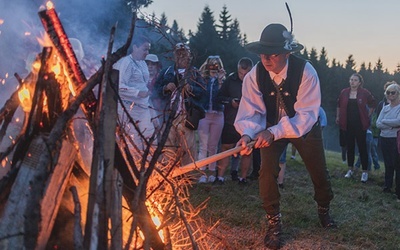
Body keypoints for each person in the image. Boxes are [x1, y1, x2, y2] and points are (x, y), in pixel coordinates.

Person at [234, 23, 335, 249]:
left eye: (273, 54)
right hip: (270, 127)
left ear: (287, 54)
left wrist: (274, 131)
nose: (266, 59)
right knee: (266, 169)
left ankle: (324, 209)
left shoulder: (306, 72)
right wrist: (248, 133)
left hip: (304, 128)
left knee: (319, 172)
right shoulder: (254, 75)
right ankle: (274, 223)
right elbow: (250, 110)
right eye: (262, 53)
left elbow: (307, 114)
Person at [156, 43, 206, 166]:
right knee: (168, 148)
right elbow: (155, 91)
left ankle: (186, 177)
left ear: (189, 56)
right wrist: (165, 88)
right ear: (174, 56)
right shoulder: (166, 72)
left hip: (186, 115)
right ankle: (168, 176)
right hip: (168, 115)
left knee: (188, 149)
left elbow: (203, 91)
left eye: (184, 53)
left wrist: (191, 89)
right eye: (179, 53)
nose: (182, 56)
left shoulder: (195, 73)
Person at [113, 35, 156, 155]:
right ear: (135, 47)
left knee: (150, 138)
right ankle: (134, 168)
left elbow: (142, 83)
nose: (147, 53)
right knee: (133, 141)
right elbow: (119, 86)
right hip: (128, 108)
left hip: (143, 107)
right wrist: (137, 93)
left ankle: (149, 167)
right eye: (144, 49)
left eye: (148, 49)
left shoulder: (142, 64)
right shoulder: (126, 63)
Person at [218, 57, 253, 184]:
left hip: (248, 123)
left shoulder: (256, 81)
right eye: (240, 73)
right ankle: (220, 177)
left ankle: (243, 178)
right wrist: (230, 101)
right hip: (231, 120)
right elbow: (219, 97)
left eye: (246, 74)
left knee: (247, 150)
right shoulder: (231, 80)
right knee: (226, 148)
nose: (243, 76)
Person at [336, 73, 376, 182]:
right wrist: (338, 116)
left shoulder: (364, 93)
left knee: (362, 147)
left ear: (359, 82)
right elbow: (339, 105)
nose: (352, 81)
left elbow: (373, 103)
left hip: (360, 124)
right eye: (351, 79)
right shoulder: (344, 92)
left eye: (355, 80)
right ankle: (350, 169)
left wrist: (368, 115)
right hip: (347, 124)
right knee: (350, 147)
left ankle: (364, 172)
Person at [197, 55, 226, 184]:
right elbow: (200, 94)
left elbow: (222, 97)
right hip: (204, 114)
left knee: (213, 146)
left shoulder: (224, 80)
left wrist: (220, 82)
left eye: (216, 64)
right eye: (211, 64)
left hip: (218, 115)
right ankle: (202, 172)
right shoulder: (202, 79)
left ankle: (211, 172)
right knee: (203, 145)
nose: (214, 67)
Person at [376, 83, 400, 201]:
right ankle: (387, 186)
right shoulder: (385, 108)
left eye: (393, 92)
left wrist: (385, 122)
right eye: (388, 92)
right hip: (384, 138)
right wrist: (390, 124)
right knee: (387, 164)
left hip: (395, 139)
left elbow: (398, 122)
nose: (390, 95)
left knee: (397, 165)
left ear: (398, 93)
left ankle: (398, 191)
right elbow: (378, 123)